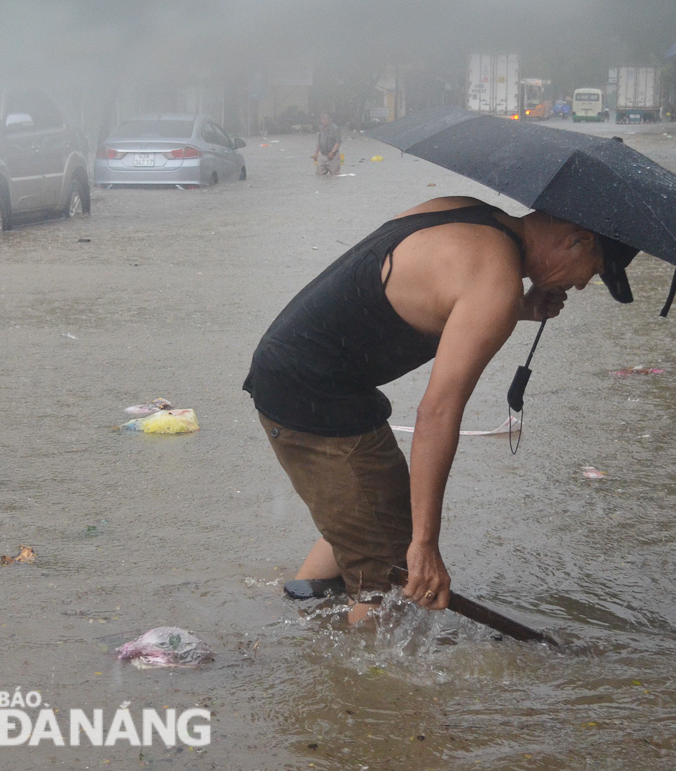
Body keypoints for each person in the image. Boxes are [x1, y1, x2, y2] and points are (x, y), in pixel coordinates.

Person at [243, 197, 638, 623]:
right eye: (593, 271)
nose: (580, 285)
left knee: (376, 516)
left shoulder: (464, 211)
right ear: (577, 240)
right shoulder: (496, 284)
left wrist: (522, 308)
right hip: (313, 397)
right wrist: (426, 546)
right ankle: (351, 673)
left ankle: (298, 615)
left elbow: (420, 295)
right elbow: (437, 413)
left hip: (298, 371)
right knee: (392, 580)